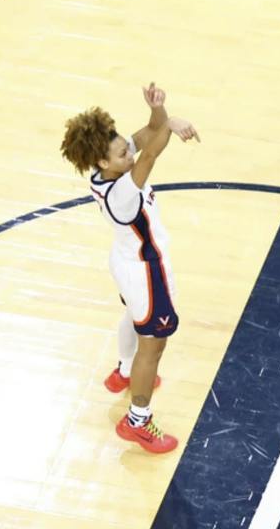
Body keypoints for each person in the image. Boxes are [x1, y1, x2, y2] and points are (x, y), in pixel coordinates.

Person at [59, 83, 199, 454]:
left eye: (125, 148)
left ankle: (123, 371)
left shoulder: (103, 170)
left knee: (133, 319)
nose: (129, 153)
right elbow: (151, 153)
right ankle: (137, 421)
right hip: (145, 270)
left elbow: (146, 135)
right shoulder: (122, 194)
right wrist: (172, 123)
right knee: (153, 347)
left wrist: (159, 110)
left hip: (125, 261)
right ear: (105, 162)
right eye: (123, 153)